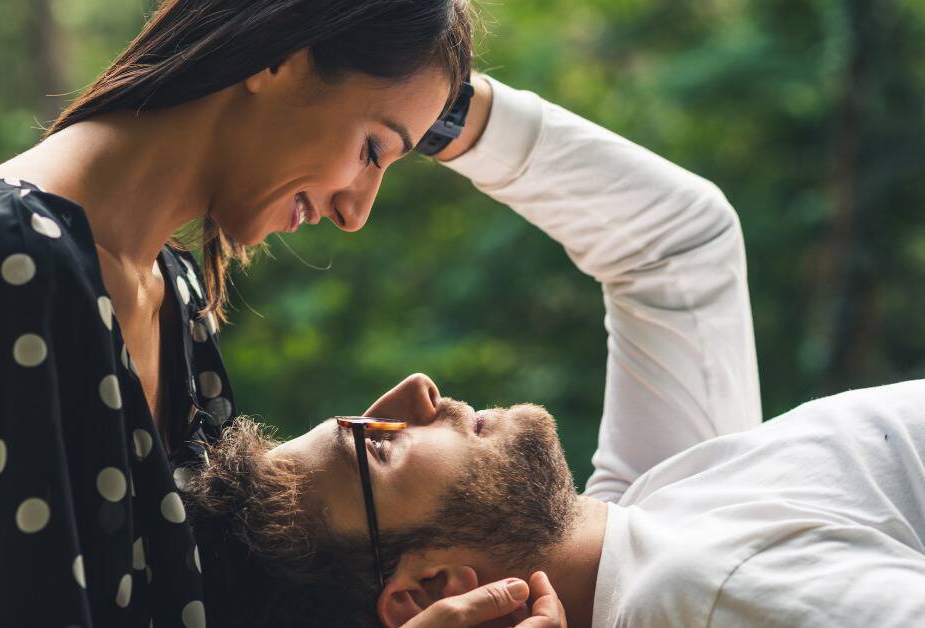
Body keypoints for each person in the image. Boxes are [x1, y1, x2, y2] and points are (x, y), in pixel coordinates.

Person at [0, 1, 479, 626]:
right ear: (280, 60)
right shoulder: (5, 259)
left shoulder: (174, 296)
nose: (357, 211)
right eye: (372, 149)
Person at [185, 72, 925, 627]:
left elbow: (677, 252)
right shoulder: (708, 592)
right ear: (430, 587)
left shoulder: (644, 521)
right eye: (377, 447)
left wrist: (422, 101)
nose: (417, 391)